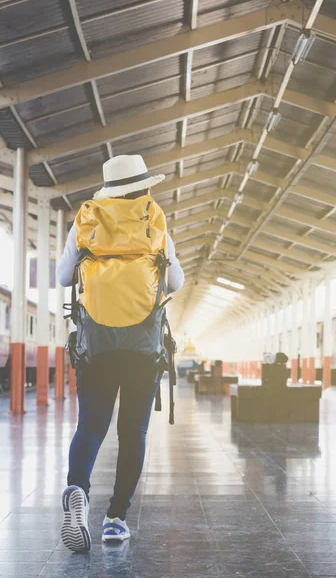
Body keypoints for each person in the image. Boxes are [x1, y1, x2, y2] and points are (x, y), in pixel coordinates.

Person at [57, 155, 184, 553]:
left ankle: (77, 488)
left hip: (96, 346)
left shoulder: (87, 219)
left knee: (91, 426)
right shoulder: (154, 219)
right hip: (143, 350)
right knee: (133, 434)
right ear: (144, 186)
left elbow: (62, 278)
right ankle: (115, 519)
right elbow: (176, 281)